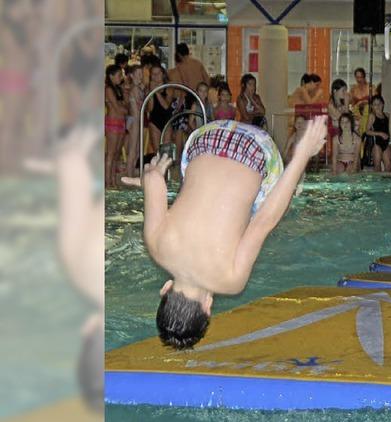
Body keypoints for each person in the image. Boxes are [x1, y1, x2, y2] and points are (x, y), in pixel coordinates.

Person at [121, 116, 328, 349]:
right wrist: (152, 174)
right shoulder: (156, 247)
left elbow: (263, 222)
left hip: (256, 150)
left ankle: (298, 167)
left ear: (208, 307)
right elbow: (154, 180)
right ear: (165, 289)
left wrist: (302, 156)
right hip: (207, 137)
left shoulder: (231, 280)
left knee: (270, 207)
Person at [105, 64, 128, 187]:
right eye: (119, 75)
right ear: (111, 76)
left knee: (117, 154)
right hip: (113, 123)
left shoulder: (118, 88)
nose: (121, 77)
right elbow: (117, 107)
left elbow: (125, 105)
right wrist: (124, 108)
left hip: (121, 122)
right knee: (111, 153)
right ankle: (107, 182)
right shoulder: (108, 89)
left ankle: (113, 181)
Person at [147, 64, 174, 153]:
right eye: (153, 74)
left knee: (166, 151)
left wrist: (156, 92)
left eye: (157, 73)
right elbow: (150, 109)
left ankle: (166, 167)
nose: (155, 76)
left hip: (166, 119)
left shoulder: (169, 87)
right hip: (154, 120)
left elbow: (166, 106)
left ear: (163, 74)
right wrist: (151, 93)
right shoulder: (149, 88)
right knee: (157, 151)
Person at [125, 65, 145, 177]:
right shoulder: (135, 88)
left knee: (137, 149)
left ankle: (132, 172)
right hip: (134, 120)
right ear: (132, 76)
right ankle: (129, 174)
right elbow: (139, 105)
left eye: (141, 73)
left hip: (138, 120)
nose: (140, 76)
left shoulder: (138, 88)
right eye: (138, 74)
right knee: (133, 149)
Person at [365, 95, 391, 172]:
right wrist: (380, 134)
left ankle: (387, 184)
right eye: (375, 104)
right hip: (376, 144)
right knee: (377, 166)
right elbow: (367, 131)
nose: (377, 106)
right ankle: (377, 183)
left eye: (379, 104)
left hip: (386, 143)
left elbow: (389, 130)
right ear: (372, 106)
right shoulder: (372, 116)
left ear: (383, 104)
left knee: (388, 166)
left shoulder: (387, 115)